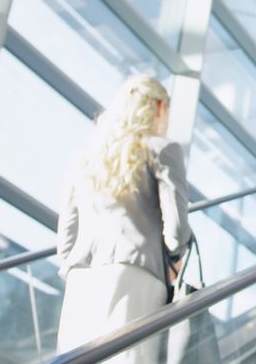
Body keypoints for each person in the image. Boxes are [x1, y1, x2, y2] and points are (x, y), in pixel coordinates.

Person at [56, 75, 192, 360]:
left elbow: (66, 238)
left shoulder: (83, 158)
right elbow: (176, 230)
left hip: (82, 280)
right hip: (136, 274)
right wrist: (175, 255)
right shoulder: (162, 149)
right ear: (157, 107)